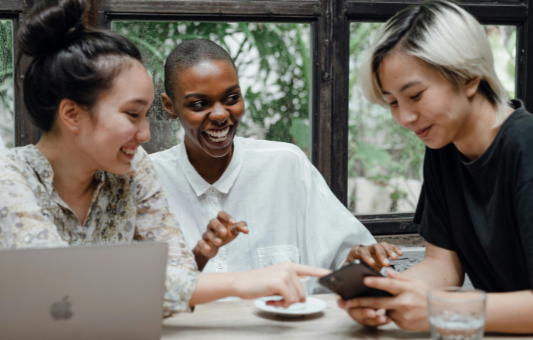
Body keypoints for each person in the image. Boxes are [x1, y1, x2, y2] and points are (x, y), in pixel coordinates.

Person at [0, 0, 329, 316]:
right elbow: (59, 281)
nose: (146, 133)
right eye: (132, 114)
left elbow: (180, 276)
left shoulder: (132, 170)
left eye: (147, 114)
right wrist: (239, 283)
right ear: (72, 114)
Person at [339, 1, 533, 333]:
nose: (404, 118)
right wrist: (384, 295)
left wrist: (441, 310)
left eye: (415, 95)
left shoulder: (531, 147)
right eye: (393, 103)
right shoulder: (444, 146)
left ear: (469, 77)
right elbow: (442, 266)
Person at [149, 39, 375, 294]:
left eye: (231, 98)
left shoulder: (286, 165)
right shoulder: (150, 181)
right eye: (199, 104)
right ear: (169, 106)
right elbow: (143, 293)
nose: (221, 115)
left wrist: (362, 260)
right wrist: (200, 256)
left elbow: (345, 259)